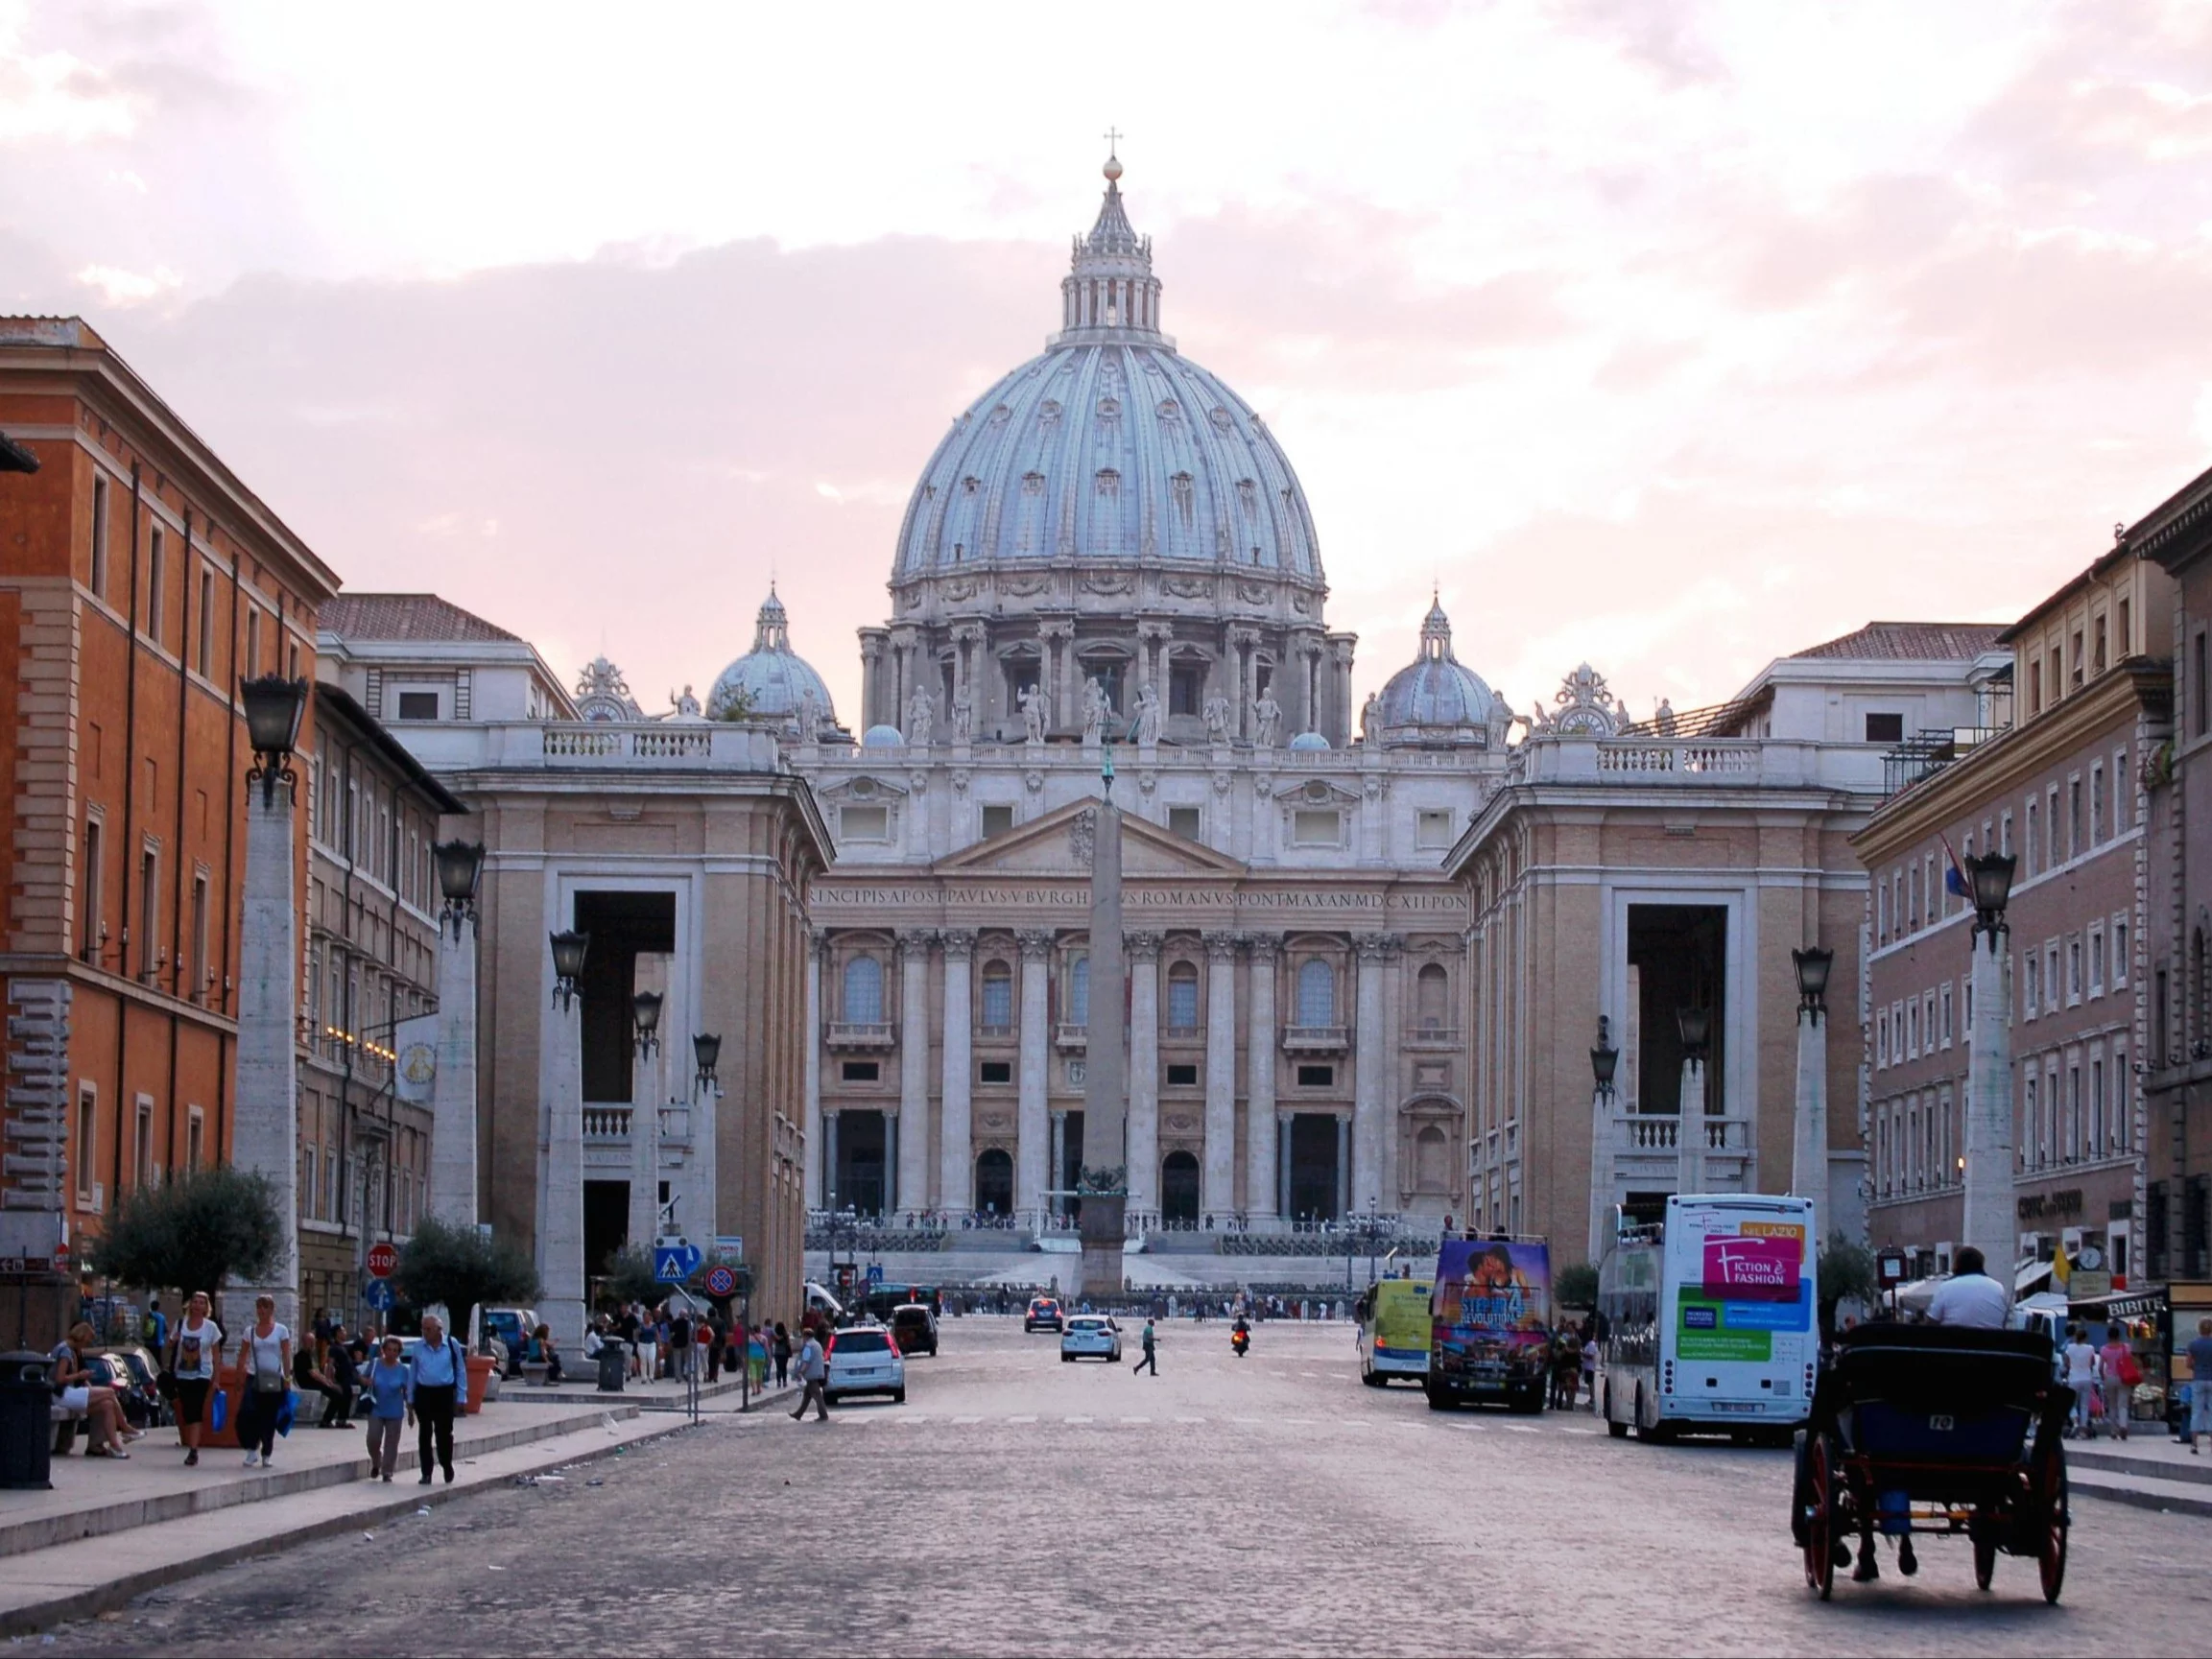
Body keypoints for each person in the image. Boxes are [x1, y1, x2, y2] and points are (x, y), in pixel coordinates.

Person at [50, 1322, 134, 1458]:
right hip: (63, 1394)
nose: (87, 1344)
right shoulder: (66, 1351)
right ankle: (125, 1428)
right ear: (82, 1337)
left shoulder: (66, 1348)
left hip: (65, 1393)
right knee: (110, 1392)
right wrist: (80, 1375)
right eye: (87, 1340)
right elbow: (59, 1378)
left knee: (107, 1405)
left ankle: (114, 1447)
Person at [234, 1295, 292, 1469]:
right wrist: (239, 1376)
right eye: (259, 1307)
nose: (262, 1311)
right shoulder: (249, 1331)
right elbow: (243, 1355)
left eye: (265, 1307)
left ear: (272, 1309)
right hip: (254, 1376)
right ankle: (251, 1449)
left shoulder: (281, 1330)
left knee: (269, 1416)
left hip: (274, 1377)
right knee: (248, 1413)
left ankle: (267, 1452)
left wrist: (288, 1378)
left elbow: (286, 1355)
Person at [408, 1313, 466, 1484]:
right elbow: (413, 1372)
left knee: (444, 1433)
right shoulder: (419, 1347)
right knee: (424, 1433)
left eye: (428, 1329)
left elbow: (460, 1369)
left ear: (438, 1330)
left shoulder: (451, 1344)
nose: (425, 1333)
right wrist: (410, 1398)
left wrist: (462, 1395)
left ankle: (446, 1464)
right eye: (423, 1329)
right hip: (424, 1392)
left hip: (444, 1393)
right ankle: (426, 1472)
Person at [167, 1290, 222, 1467]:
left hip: (202, 1374)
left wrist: (216, 1379)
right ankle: (191, 1443)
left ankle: (193, 1450)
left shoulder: (211, 1327)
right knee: (187, 1411)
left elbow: (216, 1356)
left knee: (195, 1411)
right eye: (195, 1302)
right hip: (182, 1374)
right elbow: (170, 1345)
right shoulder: (181, 1323)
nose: (198, 1305)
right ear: (190, 1304)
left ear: (206, 1307)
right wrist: (173, 1341)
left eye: (202, 1303)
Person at [1926, 1244, 2010, 1328]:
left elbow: (1932, 1322)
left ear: (1956, 1264)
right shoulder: (1998, 1288)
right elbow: (2004, 1320)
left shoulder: (1946, 1288)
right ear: (1981, 1264)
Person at [363, 1335, 411, 1481]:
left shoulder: (403, 1370)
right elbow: (362, 1378)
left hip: (395, 1411)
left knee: (391, 1442)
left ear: (399, 1353)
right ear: (383, 1350)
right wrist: (367, 1381)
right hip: (376, 1408)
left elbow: (407, 1392)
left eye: (395, 1350)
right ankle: (377, 1461)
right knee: (373, 1439)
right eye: (389, 1349)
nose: (392, 1353)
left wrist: (411, 1412)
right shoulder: (375, 1363)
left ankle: (387, 1470)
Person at [295, 1333, 346, 1428]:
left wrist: (328, 1381)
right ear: (304, 1342)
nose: (312, 1344)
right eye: (310, 1341)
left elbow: (317, 1372)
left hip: (316, 1382)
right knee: (337, 1394)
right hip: (307, 1383)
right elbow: (313, 1374)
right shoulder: (301, 1356)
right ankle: (326, 1421)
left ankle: (341, 1420)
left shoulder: (312, 1355)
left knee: (341, 1390)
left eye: (313, 1341)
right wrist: (328, 1383)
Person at [2060, 1323, 2101, 1438]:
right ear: (2085, 1338)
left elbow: (2067, 1363)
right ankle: (2083, 1430)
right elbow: (2092, 1363)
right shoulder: (2090, 1348)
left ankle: (2075, 1421)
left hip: (2073, 1378)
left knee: (2071, 1403)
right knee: (2084, 1406)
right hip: (2087, 1378)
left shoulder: (2070, 1348)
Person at [2098, 1323, 2133, 1442]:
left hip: (2110, 1378)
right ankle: (2123, 1426)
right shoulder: (2126, 1347)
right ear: (2119, 1335)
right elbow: (2130, 1361)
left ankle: (2113, 1430)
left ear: (2108, 1336)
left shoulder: (2104, 1349)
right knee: (2122, 1405)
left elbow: (2100, 1366)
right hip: (2123, 1378)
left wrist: (2103, 1377)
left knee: (2112, 1405)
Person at [790, 1328, 828, 1422]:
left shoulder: (808, 1346)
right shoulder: (817, 1344)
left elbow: (806, 1361)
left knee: (817, 1395)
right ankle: (798, 1414)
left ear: (805, 1336)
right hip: (818, 1372)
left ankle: (823, 1415)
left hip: (812, 1375)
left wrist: (800, 1372)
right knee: (807, 1396)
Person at [2187, 1316, 2212, 1455]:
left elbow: (2188, 1363)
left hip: (2198, 1379)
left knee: (2196, 1412)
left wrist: (2197, 1368)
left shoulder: (2193, 1344)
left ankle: (2194, 1444)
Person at [773, 1322, 793, 1387]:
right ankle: (784, 1382)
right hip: (784, 1353)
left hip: (777, 1353)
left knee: (778, 1367)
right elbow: (788, 1343)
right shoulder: (786, 1335)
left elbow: (774, 1341)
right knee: (784, 1367)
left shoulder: (775, 1336)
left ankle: (778, 1382)